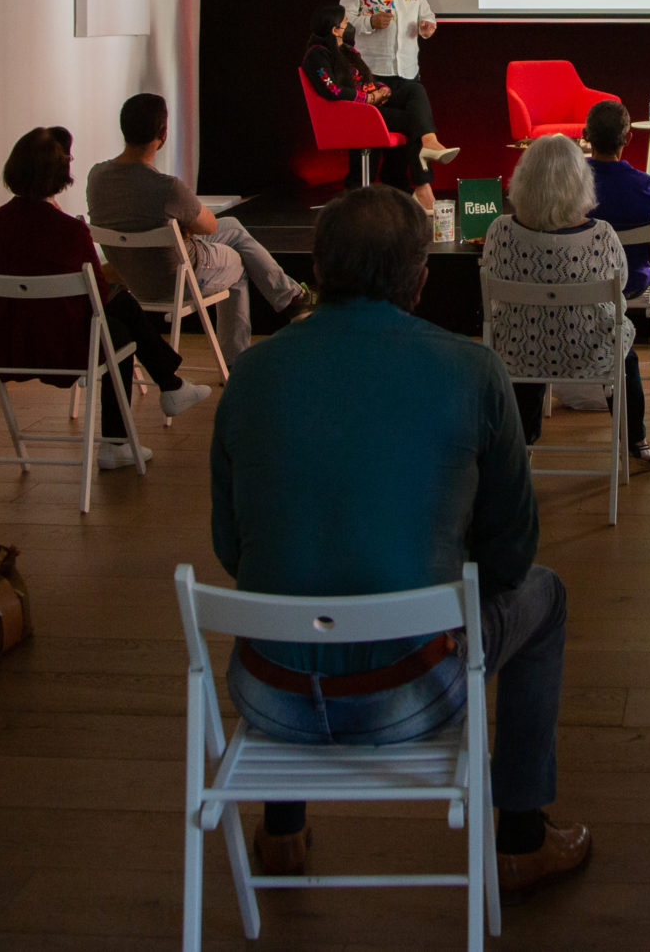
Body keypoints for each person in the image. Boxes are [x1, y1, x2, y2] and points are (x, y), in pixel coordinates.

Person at [210, 185, 591, 893]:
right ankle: (522, 835)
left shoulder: (251, 374)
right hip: (411, 689)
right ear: (420, 280)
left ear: (317, 271)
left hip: (269, 694)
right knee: (546, 596)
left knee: (300, 576)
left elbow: (233, 548)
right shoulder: (473, 370)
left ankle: (284, 828)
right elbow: (512, 557)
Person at [0, 125, 206, 469]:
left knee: (118, 316)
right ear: (61, 173)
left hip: (8, 343)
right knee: (118, 325)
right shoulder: (70, 231)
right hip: (64, 347)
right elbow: (97, 296)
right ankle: (142, 414)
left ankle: (169, 387)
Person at [86, 93, 309, 360]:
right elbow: (209, 225)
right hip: (178, 279)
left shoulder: (96, 177)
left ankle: (291, 296)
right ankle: (239, 356)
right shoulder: (168, 188)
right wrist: (184, 228)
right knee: (237, 261)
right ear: (163, 134)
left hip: (130, 276)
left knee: (234, 227)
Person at [480, 134, 635, 448]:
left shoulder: (499, 230)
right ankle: (635, 438)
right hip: (588, 352)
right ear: (580, 182)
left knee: (526, 327)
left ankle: (521, 438)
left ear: (523, 178)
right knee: (624, 341)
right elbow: (623, 288)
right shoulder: (602, 236)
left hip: (518, 353)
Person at [584, 99, 650, 466]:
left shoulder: (571, 182)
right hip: (629, 285)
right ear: (628, 138)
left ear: (586, 137)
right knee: (620, 345)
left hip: (579, 280)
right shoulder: (646, 186)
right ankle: (636, 439)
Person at [340, 0, 458, 173]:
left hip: (406, 71)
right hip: (371, 74)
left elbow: (426, 15)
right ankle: (360, 192)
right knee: (369, 143)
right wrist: (369, 22)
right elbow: (344, 20)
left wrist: (427, 27)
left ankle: (407, 188)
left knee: (404, 143)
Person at [301, 4, 428, 204]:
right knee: (414, 121)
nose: (349, 26)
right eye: (345, 23)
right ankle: (421, 182)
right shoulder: (317, 55)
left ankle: (429, 145)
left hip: (369, 109)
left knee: (414, 90)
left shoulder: (348, 51)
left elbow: (365, 79)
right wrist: (369, 99)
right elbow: (332, 90)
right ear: (335, 30)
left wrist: (382, 89)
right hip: (353, 113)